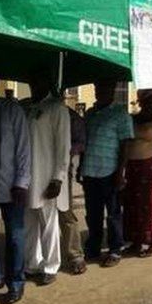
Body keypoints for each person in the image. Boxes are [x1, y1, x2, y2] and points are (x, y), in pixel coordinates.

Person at [0, 78, 31, 304]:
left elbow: (23, 148)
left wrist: (21, 182)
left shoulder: (11, 109)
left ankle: (16, 283)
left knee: (14, 237)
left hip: (12, 187)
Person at [22, 73, 71, 286]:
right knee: (29, 222)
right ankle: (32, 264)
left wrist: (58, 178)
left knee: (49, 223)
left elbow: (64, 147)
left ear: (48, 83)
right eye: (32, 81)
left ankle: (51, 266)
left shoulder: (57, 108)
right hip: (28, 176)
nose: (34, 85)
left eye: (38, 81)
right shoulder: (31, 108)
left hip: (48, 177)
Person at [79, 80, 134, 267]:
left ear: (112, 90)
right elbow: (84, 143)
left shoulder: (121, 114)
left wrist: (121, 172)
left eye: (103, 88)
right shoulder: (90, 114)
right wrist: (80, 168)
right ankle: (93, 247)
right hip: (90, 171)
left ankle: (115, 249)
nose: (99, 91)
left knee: (112, 214)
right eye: (97, 88)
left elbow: (126, 145)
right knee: (92, 214)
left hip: (110, 172)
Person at [123, 90, 152, 258]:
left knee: (151, 204)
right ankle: (136, 242)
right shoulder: (133, 118)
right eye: (150, 101)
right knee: (133, 203)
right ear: (142, 102)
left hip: (151, 165)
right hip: (132, 165)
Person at [60, 107, 87, 275]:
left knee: (65, 211)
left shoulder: (71, 116)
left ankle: (75, 254)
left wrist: (65, 151)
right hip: (38, 167)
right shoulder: (31, 109)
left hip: (62, 167)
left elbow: (81, 143)